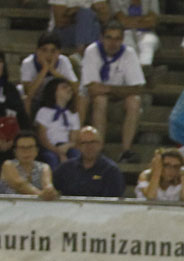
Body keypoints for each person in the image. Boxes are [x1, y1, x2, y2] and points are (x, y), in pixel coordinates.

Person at [79, 21, 146, 163]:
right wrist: (117, 90)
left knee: (135, 100)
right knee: (100, 99)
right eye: (109, 37)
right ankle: (99, 149)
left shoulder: (128, 53)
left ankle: (126, 151)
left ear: (122, 40)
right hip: (93, 101)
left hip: (118, 101)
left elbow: (137, 88)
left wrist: (108, 89)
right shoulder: (92, 51)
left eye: (117, 39)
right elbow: (92, 89)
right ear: (102, 38)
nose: (113, 43)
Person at [52, 126, 125, 197]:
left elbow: (114, 202)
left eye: (93, 142)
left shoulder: (111, 170)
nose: (89, 146)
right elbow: (51, 188)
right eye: (84, 143)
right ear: (77, 146)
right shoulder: (66, 168)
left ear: (101, 144)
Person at [19, 32, 79, 115]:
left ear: (59, 52)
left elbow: (75, 88)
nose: (48, 55)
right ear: (37, 51)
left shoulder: (63, 61)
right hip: (35, 100)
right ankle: (27, 126)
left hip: (57, 100)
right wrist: (44, 70)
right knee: (26, 99)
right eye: (44, 50)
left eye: (53, 51)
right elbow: (28, 92)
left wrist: (53, 71)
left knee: (79, 96)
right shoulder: (28, 63)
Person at [34, 78, 80, 168]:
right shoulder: (44, 111)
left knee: (76, 155)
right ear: (54, 92)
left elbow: (74, 139)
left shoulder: (72, 115)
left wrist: (66, 147)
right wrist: (58, 152)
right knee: (51, 158)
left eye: (70, 88)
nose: (69, 90)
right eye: (64, 87)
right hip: (49, 147)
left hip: (66, 147)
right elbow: (42, 138)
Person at [0, 132, 59, 200]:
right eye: (22, 148)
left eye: (30, 147)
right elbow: (19, 185)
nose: (26, 151)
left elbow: (47, 185)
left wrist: (49, 190)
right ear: (15, 151)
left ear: (37, 150)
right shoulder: (8, 165)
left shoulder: (44, 167)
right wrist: (41, 195)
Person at [110, 0, 160, 68]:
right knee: (128, 46)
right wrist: (143, 20)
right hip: (125, 32)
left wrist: (130, 21)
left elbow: (152, 21)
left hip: (147, 32)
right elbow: (122, 22)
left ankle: (144, 71)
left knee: (147, 43)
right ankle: (132, 73)